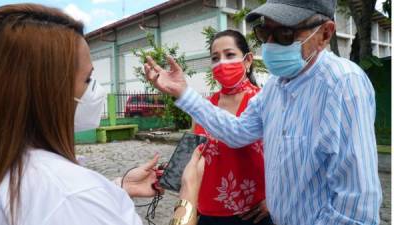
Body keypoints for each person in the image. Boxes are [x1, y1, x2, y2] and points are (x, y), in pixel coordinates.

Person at [144, 0, 382, 224]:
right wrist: (183, 93)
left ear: (325, 34)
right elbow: (238, 131)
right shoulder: (275, 87)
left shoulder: (342, 83)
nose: (270, 44)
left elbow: (356, 202)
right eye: (264, 33)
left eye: (284, 35)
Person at [0, 4, 203, 225]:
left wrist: (119, 188)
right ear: (47, 92)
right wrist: (189, 193)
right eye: (87, 79)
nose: (96, 89)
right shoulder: (72, 194)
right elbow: (72, 202)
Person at [193, 30, 272, 225]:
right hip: (207, 212)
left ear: (247, 60)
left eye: (229, 55)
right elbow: (193, 157)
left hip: (253, 213)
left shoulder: (264, 101)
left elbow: (287, 157)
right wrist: (189, 203)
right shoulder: (204, 107)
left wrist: (275, 199)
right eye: (215, 58)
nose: (222, 63)